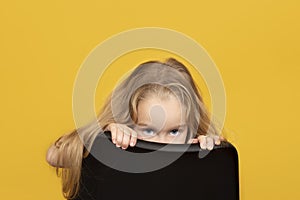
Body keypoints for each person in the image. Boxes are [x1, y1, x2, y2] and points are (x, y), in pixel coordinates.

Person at [46, 57, 226, 199]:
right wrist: (103, 137)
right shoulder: (117, 149)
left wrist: (211, 156)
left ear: (192, 128)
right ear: (129, 123)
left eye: (174, 131)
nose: (162, 144)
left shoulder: (196, 155)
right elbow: (54, 156)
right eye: (148, 130)